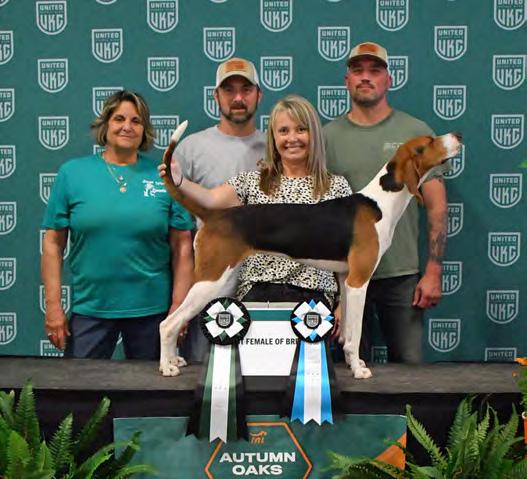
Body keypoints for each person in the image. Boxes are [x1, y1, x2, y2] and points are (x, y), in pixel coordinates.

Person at [162, 95, 352, 333]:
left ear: (314, 134)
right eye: (283, 131)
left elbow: (349, 255)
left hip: (315, 300)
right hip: (258, 293)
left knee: (310, 359)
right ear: (273, 137)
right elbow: (210, 200)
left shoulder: (337, 188)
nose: (292, 138)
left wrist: (343, 306)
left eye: (301, 129)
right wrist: (179, 180)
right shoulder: (253, 182)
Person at [41, 90, 194, 360]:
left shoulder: (164, 176)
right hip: (91, 308)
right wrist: (53, 306)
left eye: (136, 121)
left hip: (152, 313)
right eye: (119, 119)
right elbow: (53, 244)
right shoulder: (72, 173)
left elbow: (182, 247)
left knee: (152, 387)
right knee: (79, 386)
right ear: (105, 124)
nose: (127, 126)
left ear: (144, 129)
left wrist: (179, 308)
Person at [324, 41, 448, 364]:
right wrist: (333, 292)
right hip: (344, 273)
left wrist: (433, 270)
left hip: (401, 275)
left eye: (375, 70)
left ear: (388, 80)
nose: (366, 77)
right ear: (347, 80)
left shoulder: (415, 132)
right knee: (347, 372)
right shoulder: (326, 138)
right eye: (357, 70)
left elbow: (436, 206)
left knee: (410, 368)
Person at [174, 57, 266, 362]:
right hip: (210, 286)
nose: (238, 98)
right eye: (229, 90)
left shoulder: (278, 149)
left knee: (265, 376)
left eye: (246, 89)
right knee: (203, 376)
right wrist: (181, 297)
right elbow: (180, 232)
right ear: (216, 96)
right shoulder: (190, 149)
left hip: (264, 288)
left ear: (259, 95)